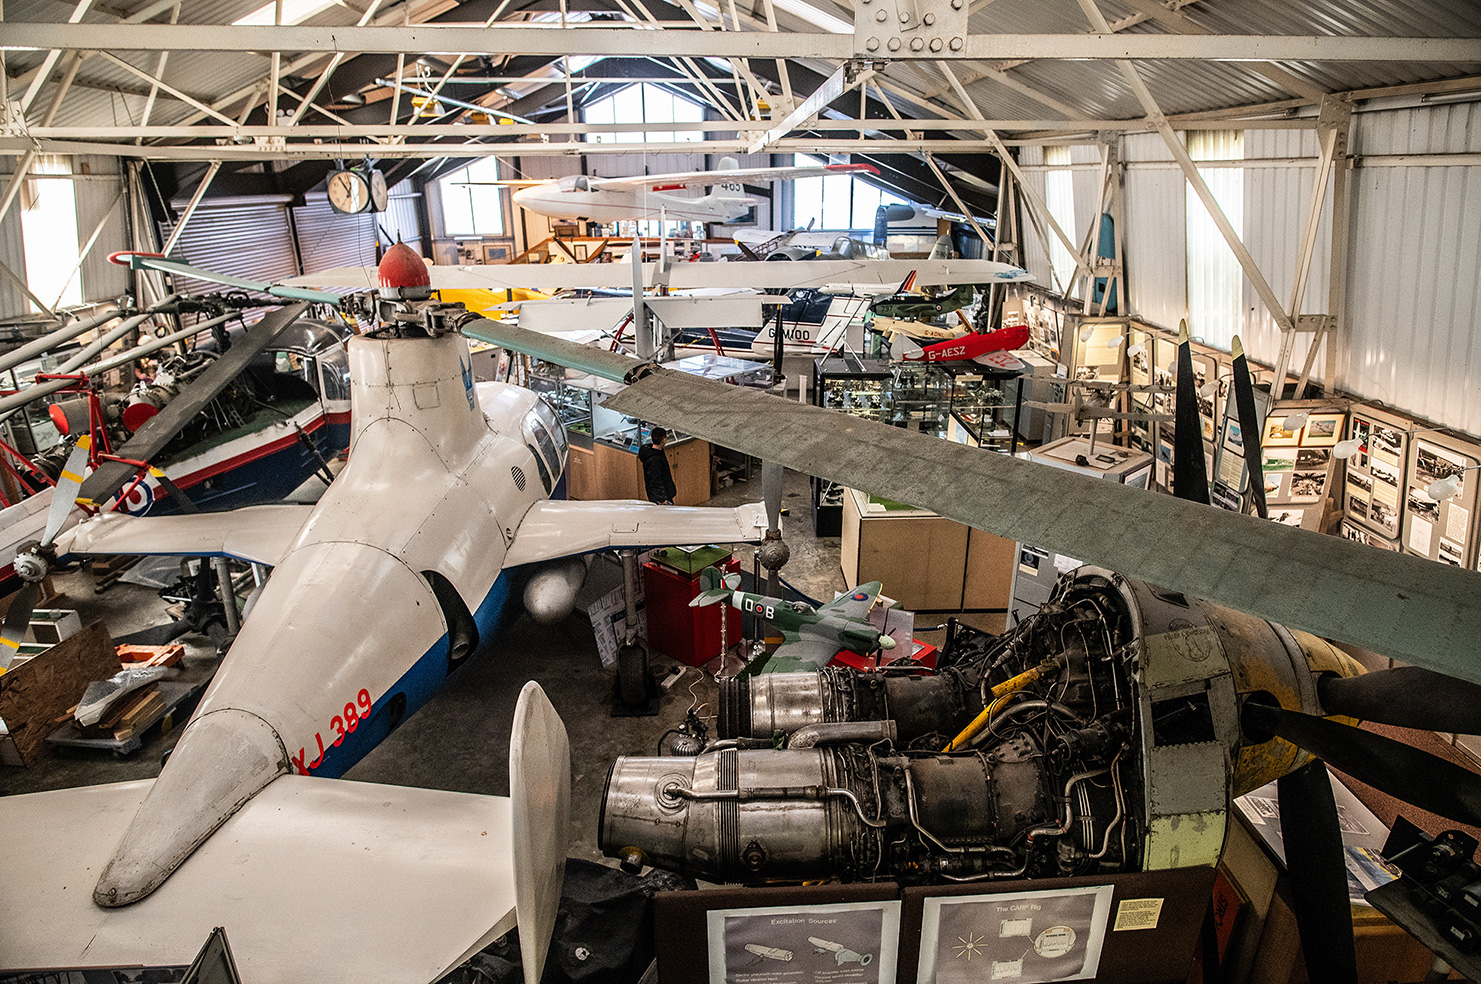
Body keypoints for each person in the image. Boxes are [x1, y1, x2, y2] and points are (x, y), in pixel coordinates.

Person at [640, 426, 677, 505]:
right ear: (663, 440)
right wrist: (662, 499)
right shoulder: (655, 459)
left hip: (659, 495)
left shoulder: (652, 453)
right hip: (661, 499)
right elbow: (655, 481)